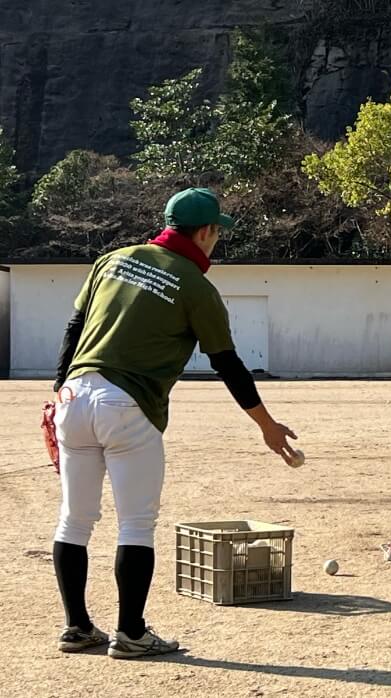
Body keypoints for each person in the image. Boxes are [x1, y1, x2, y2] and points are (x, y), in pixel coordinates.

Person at [51, 187, 299, 658]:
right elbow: (227, 363)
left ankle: (78, 628)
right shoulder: (195, 286)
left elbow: (73, 327)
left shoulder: (113, 259)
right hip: (127, 404)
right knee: (137, 525)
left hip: (75, 395)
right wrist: (266, 424)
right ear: (205, 232)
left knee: (74, 520)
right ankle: (131, 634)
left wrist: (57, 391)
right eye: (216, 233)